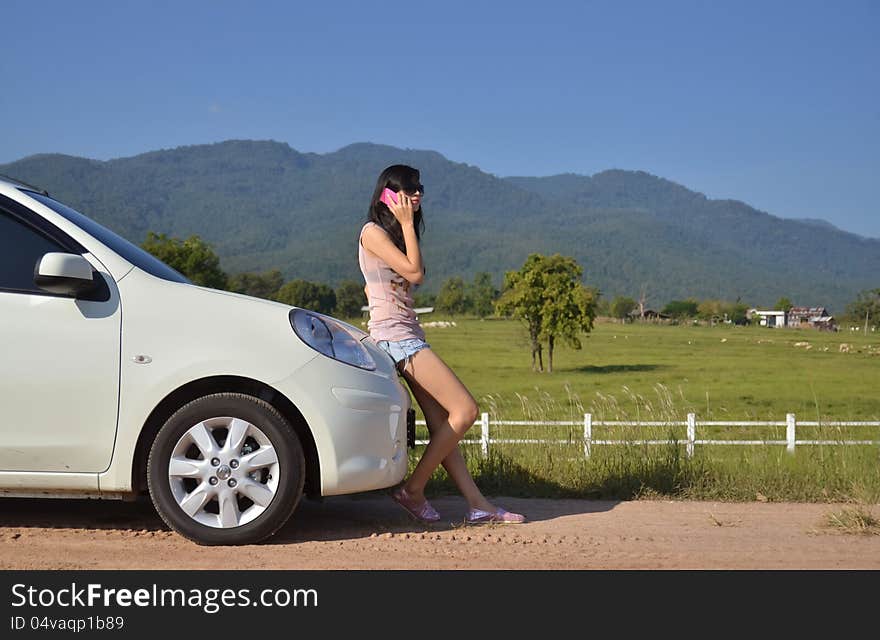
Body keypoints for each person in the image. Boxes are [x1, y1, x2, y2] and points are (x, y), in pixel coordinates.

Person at [358, 164, 525, 525]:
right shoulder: (372, 232)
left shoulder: (396, 235)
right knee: (465, 411)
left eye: (419, 187)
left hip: (407, 334)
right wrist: (405, 223)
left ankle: (477, 504)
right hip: (396, 338)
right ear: (389, 194)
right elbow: (415, 273)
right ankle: (412, 490)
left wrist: (406, 227)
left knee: (443, 427)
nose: (417, 194)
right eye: (409, 188)